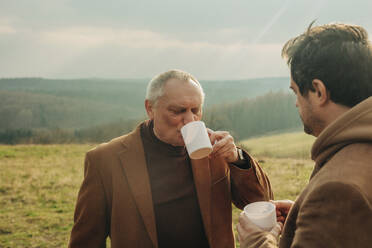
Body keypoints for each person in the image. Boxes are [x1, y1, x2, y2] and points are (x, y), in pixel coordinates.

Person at [69, 69, 273, 248]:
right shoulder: (105, 160)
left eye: (196, 110)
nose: (189, 120)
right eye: (178, 111)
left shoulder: (215, 151)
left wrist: (237, 158)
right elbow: (86, 240)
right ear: (150, 108)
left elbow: (261, 201)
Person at [237, 22, 372, 247]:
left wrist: (257, 242)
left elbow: (342, 200)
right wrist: (305, 216)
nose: (296, 104)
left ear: (318, 92)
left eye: (296, 92)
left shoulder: (336, 191)